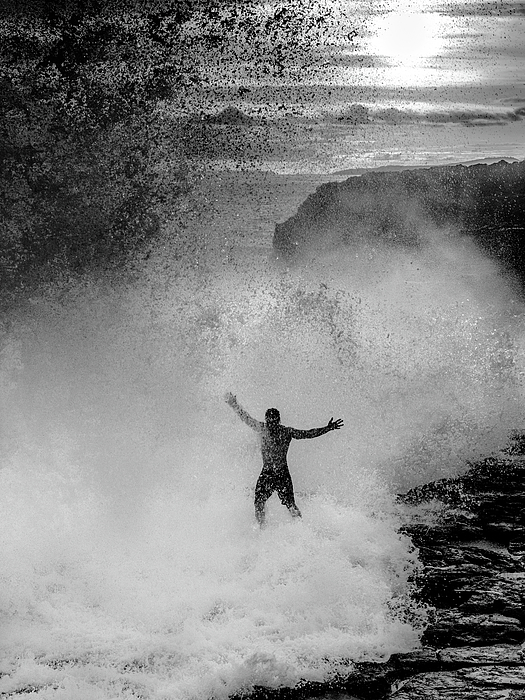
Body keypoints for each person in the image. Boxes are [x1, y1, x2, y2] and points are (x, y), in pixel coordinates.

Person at [225, 392, 344, 526]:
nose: (272, 425)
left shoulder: (287, 432)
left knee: (291, 506)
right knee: (258, 503)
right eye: (270, 422)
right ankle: (261, 529)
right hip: (267, 473)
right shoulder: (262, 428)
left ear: (278, 420)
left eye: (274, 422)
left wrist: (327, 428)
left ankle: (301, 528)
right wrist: (233, 404)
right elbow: (245, 418)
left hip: (282, 474)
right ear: (266, 420)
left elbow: (307, 434)